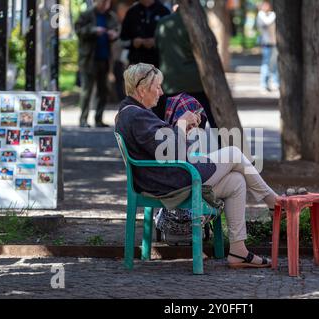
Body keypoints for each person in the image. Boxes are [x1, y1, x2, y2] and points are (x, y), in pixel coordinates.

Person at [115, 63, 288, 268]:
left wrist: (183, 132)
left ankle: (238, 251)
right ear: (142, 89)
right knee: (233, 153)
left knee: (236, 181)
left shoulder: (131, 112)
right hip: (172, 181)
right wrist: (180, 123)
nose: (161, 92)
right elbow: (171, 153)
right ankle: (273, 202)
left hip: (169, 177)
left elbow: (163, 149)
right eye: (158, 86)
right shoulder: (135, 115)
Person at [153, 3, 217, 128]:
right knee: (200, 121)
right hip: (195, 81)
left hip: (169, 82)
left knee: (168, 122)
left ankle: (170, 147)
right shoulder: (195, 23)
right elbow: (211, 45)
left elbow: (158, 47)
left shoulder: (163, 23)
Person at [75, 0, 119, 128]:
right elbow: (78, 30)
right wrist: (93, 30)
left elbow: (117, 30)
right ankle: (83, 119)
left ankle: (98, 119)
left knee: (103, 91)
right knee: (86, 91)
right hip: (89, 59)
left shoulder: (110, 16)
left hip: (105, 59)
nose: (105, 4)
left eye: (107, 1)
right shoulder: (86, 14)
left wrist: (113, 35)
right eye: (103, 1)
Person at [119, 0, 170, 67]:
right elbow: (122, 41)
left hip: (159, 63)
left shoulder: (164, 11)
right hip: (136, 63)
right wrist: (133, 42)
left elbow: (171, 40)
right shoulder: (132, 12)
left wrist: (157, 42)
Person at [256, 1, 279, 92]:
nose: (266, 7)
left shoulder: (273, 15)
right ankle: (264, 84)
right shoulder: (261, 16)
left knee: (274, 64)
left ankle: (275, 82)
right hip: (266, 44)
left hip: (275, 43)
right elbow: (265, 24)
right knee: (266, 64)